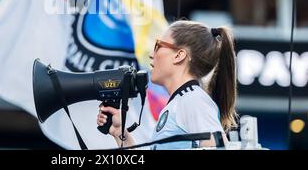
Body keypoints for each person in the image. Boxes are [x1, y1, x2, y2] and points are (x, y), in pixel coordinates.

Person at [97, 20, 238, 149]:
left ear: (179, 55)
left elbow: (220, 148)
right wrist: (120, 133)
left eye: (158, 46)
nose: (152, 54)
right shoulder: (183, 101)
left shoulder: (193, 100)